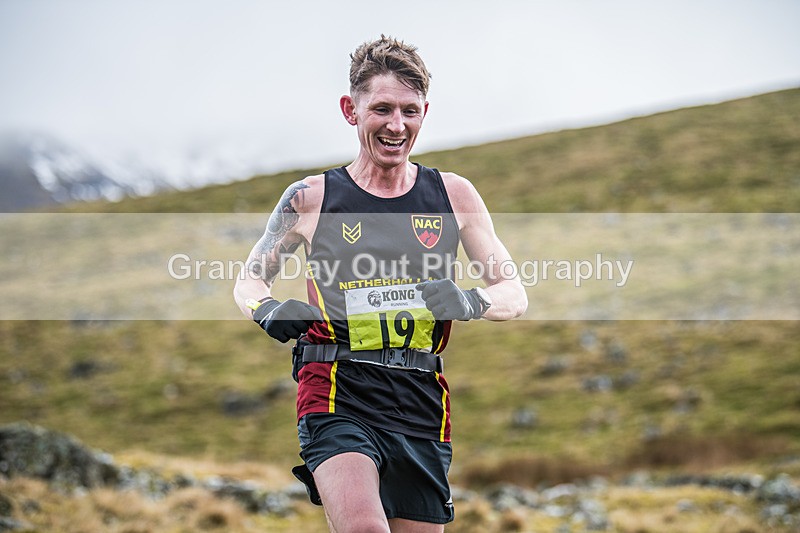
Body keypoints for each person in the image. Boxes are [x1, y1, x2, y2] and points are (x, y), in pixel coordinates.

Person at [233, 35, 527, 533]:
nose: (396, 125)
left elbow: (513, 292)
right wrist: (267, 309)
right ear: (351, 110)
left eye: (410, 111)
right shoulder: (310, 197)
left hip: (420, 400)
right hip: (336, 391)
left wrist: (470, 300)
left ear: (425, 112)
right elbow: (249, 279)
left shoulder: (454, 195)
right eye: (382, 109)